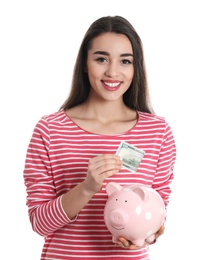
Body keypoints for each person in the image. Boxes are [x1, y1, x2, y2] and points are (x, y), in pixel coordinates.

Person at [23, 15, 176, 260]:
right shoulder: (50, 130)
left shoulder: (158, 132)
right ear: (85, 63)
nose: (113, 72)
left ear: (135, 68)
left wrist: (148, 235)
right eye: (101, 59)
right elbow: (39, 223)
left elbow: (158, 210)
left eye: (125, 61)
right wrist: (86, 188)